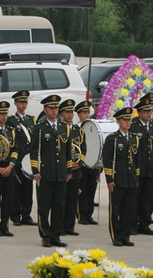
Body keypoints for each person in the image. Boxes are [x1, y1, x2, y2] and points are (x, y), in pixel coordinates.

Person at [29, 95, 71, 248]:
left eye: (56, 108)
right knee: (44, 206)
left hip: (60, 173)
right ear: (45, 109)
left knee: (59, 206)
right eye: (51, 108)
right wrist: (36, 170)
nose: (54, 111)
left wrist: (68, 170)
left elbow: (67, 151)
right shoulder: (39, 129)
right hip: (45, 174)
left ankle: (56, 235)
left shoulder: (64, 127)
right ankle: (45, 235)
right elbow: (34, 151)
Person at [103, 107, 139, 247]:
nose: (128, 122)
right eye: (125, 120)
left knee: (128, 210)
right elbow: (107, 160)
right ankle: (116, 236)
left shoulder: (135, 138)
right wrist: (109, 179)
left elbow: (137, 160)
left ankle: (126, 235)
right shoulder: (112, 139)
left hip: (131, 179)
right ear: (118, 121)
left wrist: (136, 178)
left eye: (129, 120)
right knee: (115, 210)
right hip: (118, 179)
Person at [130, 92, 153, 235]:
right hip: (137, 168)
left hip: (151, 167)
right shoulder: (133, 125)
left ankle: (145, 223)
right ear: (140, 112)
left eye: (151, 110)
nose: (150, 113)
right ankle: (132, 224)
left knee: (148, 198)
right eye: (146, 110)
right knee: (135, 197)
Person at [6, 90, 38, 226]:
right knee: (16, 189)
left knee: (27, 189)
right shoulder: (11, 121)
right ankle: (15, 215)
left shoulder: (31, 120)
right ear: (15, 103)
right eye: (20, 102)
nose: (23, 104)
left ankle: (26, 214)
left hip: (28, 160)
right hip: (18, 159)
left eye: (25, 102)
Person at [0, 101, 17, 237]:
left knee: (8, 200)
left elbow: (15, 150)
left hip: (9, 170)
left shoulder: (11, 131)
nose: (4, 116)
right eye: (1, 113)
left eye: (6, 113)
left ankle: (4, 226)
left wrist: (10, 166)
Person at [60, 99, 85, 236]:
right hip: (63, 170)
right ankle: (61, 226)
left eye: (71, 112)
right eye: (67, 112)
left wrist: (79, 163)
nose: (70, 115)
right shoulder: (59, 129)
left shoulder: (78, 130)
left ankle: (70, 226)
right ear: (61, 113)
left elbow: (83, 149)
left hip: (76, 170)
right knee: (61, 200)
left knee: (72, 200)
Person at [77, 100, 100, 226]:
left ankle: (89, 214)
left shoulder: (94, 127)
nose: (86, 115)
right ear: (78, 114)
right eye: (84, 112)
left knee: (91, 190)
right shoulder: (76, 128)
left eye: (88, 112)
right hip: (81, 164)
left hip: (93, 163)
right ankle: (81, 215)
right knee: (82, 191)